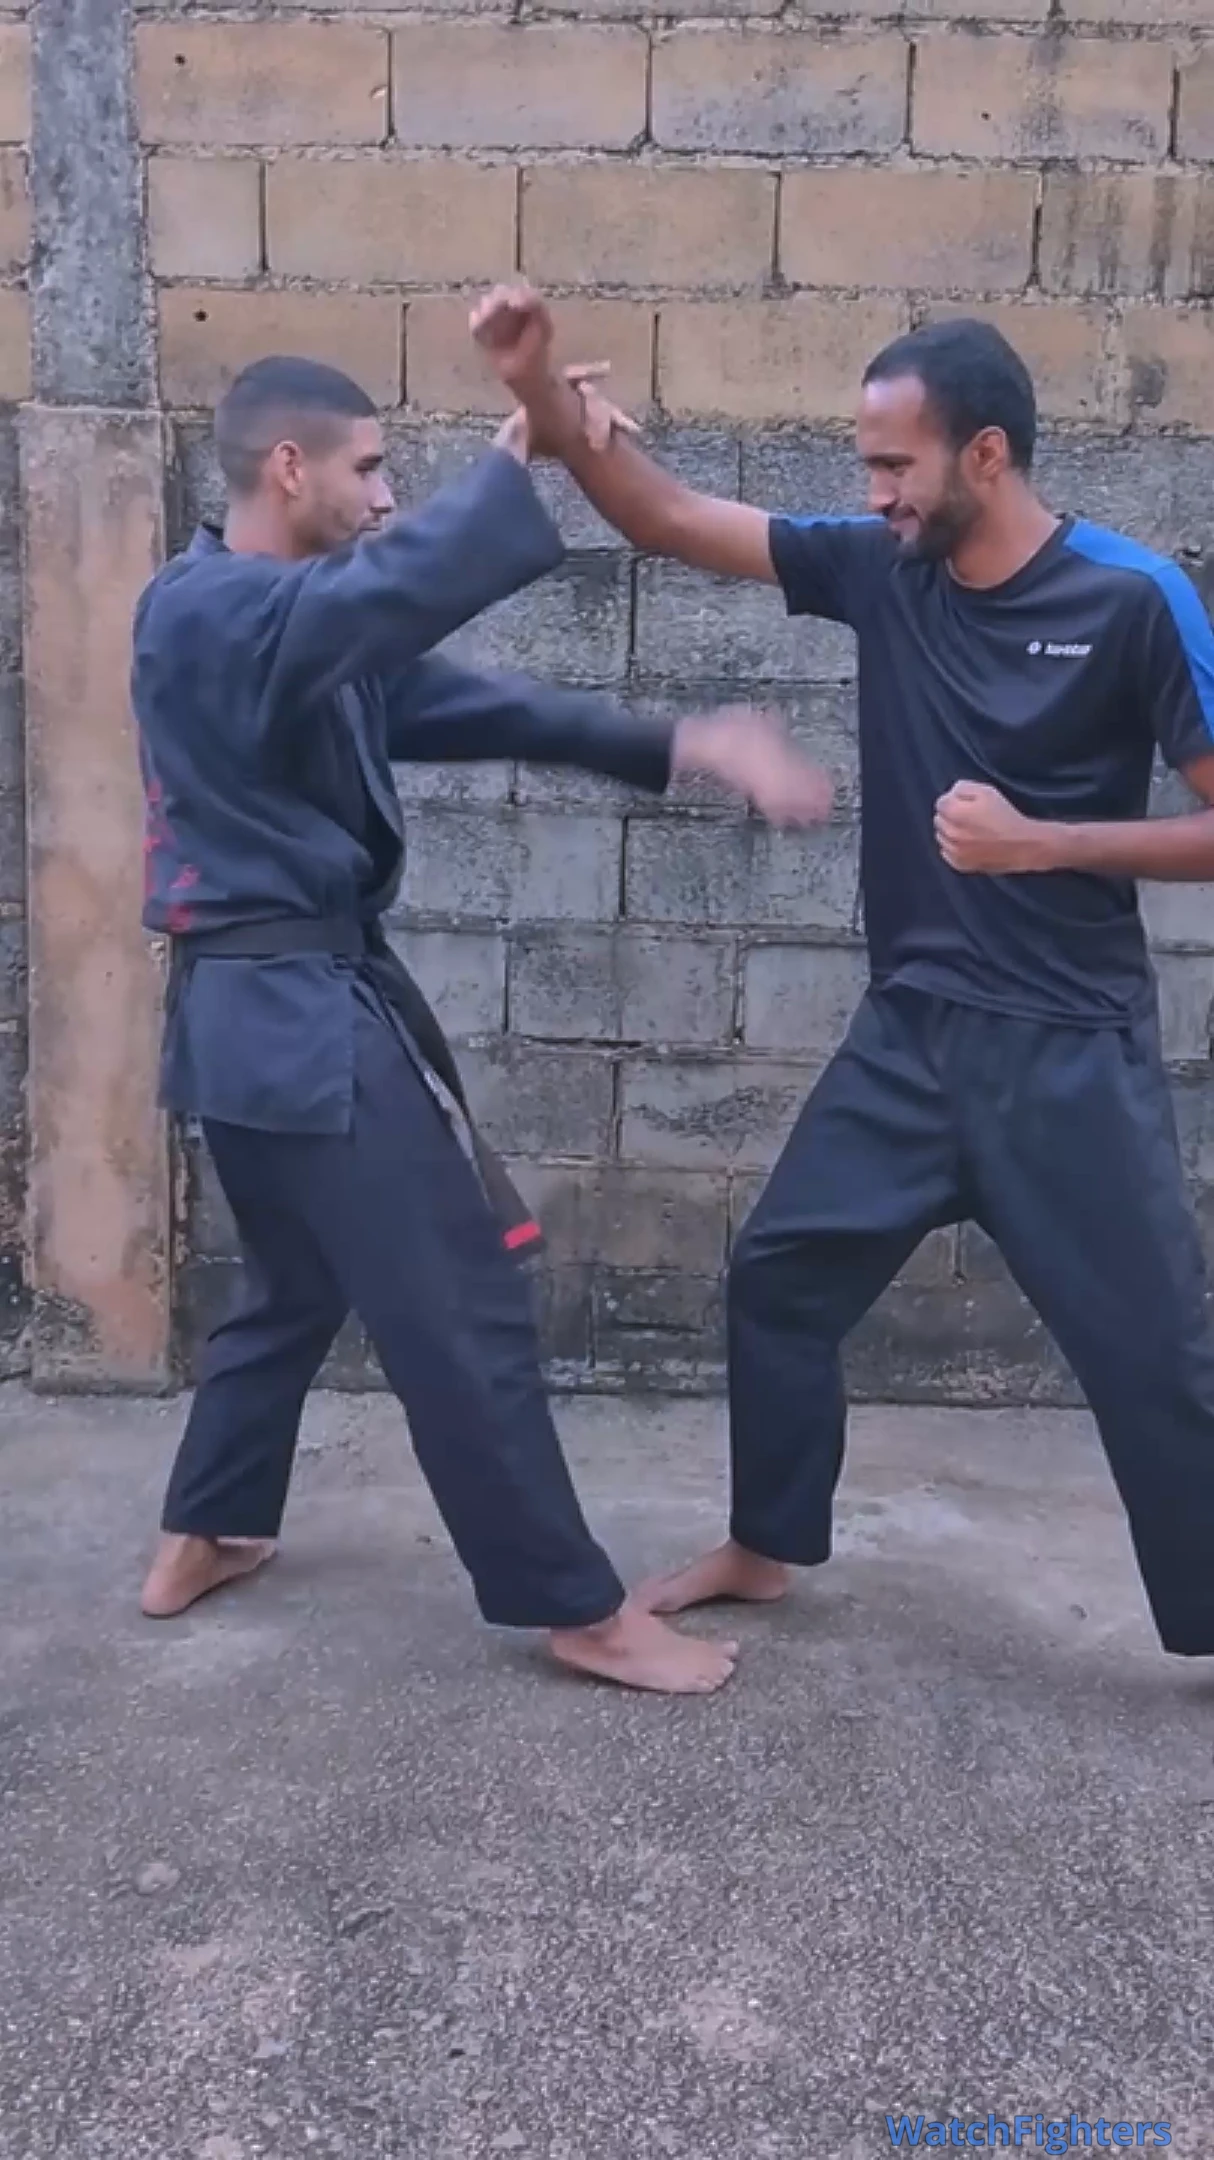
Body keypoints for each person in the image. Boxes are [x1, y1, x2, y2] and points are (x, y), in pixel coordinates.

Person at [471, 285, 1214, 1660]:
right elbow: (669, 519)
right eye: (864, 465)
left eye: (891, 465)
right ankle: (765, 1546)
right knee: (778, 1278)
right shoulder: (886, 568)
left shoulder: (1131, 598)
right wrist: (553, 416)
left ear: (984, 453)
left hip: (1065, 1048)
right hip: (910, 1038)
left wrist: (1046, 843)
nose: (871, 492)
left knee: (1156, 1361)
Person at [133, 350, 835, 1695]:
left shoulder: (298, 634)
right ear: (288, 467)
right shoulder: (209, 611)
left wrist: (686, 741)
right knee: (464, 1300)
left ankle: (203, 1530)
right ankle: (577, 1609)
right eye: (367, 468)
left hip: (251, 1029)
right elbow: (387, 591)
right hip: (297, 1023)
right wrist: (524, 453)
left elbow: (474, 702)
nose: (385, 496)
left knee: (293, 1284)